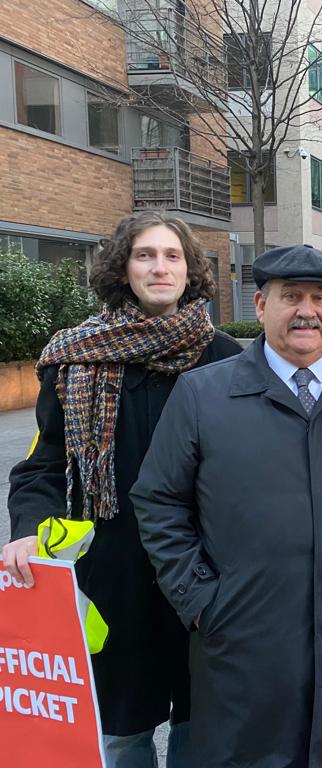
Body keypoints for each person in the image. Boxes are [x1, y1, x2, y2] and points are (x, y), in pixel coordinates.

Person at [129, 244, 322, 767]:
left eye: (320, 298)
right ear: (261, 304)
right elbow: (159, 499)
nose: (306, 311)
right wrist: (200, 600)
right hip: (241, 635)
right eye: (291, 297)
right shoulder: (203, 393)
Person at [4, 211, 241, 767]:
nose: (160, 267)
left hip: (204, 571)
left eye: (172, 256)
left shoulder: (228, 359)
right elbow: (44, 466)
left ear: (190, 271)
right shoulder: (75, 359)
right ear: (123, 269)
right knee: (120, 726)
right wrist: (28, 530)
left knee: (201, 718)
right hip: (112, 575)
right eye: (145, 255)